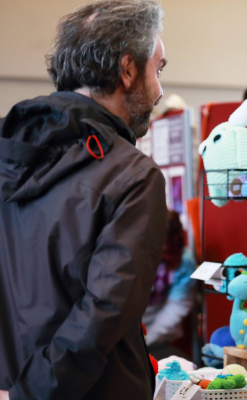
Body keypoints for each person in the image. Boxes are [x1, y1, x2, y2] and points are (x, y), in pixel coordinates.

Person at [0, 1, 168, 399]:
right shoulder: (134, 176)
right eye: (157, 69)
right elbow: (101, 317)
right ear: (127, 70)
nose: (160, 89)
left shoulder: (7, 153)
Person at [143, 211, 195, 354]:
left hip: (159, 328)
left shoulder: (184, 261)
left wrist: (147, 339)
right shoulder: (133, 254)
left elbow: (177, 306)